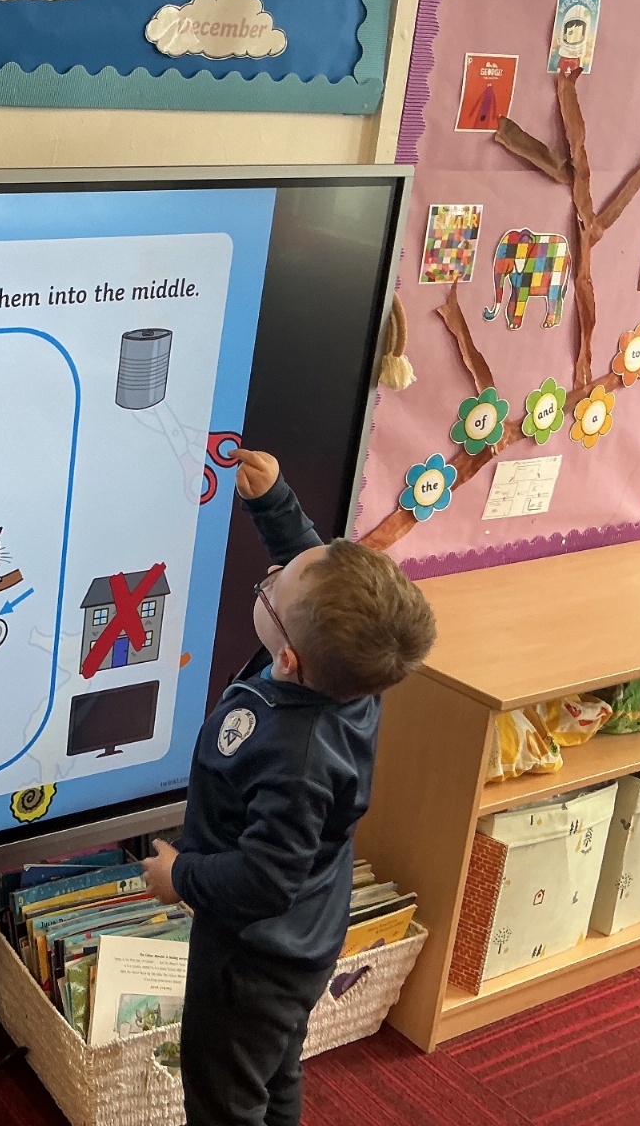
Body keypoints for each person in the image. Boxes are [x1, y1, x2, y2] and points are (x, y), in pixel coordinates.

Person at [141, 448, 436, 1126]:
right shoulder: (352, 673)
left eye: (270, 588)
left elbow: (264, 880)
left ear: (286, 658)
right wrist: (274, 501)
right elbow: (315, 578)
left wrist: (180, 876)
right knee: (273, 1067)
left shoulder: (298, 758)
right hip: (306, 934)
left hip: (254, 959)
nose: (274, 572)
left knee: (224, 1092)